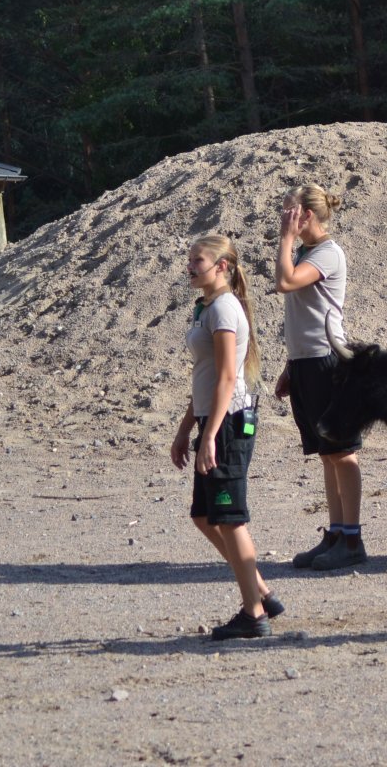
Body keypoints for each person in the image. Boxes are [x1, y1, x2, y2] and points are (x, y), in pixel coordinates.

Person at [170, 233, 282, 640]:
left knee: (231, 519)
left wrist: (211, 435)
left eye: (197, 260)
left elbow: (226, 378)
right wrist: (187, 431)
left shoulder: (222, 308)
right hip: (213, 420)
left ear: (222, 267)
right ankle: (262, 592)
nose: (190, 266)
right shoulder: (205, 308)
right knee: (204, 516)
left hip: (230, 423)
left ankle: (254, 614)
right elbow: (203, 379)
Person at [274, 184, 365, 571]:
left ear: (306, 215)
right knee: (327, 456)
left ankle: (353, 539)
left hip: (329, 362)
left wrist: (284, 239)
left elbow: (286, 282)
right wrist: (290, 366)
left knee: (343, 453)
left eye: (289, 211)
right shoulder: (309, 252)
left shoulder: (328, 253)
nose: (284, 216)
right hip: (307, 363)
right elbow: (303, 317)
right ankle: (335, 533)